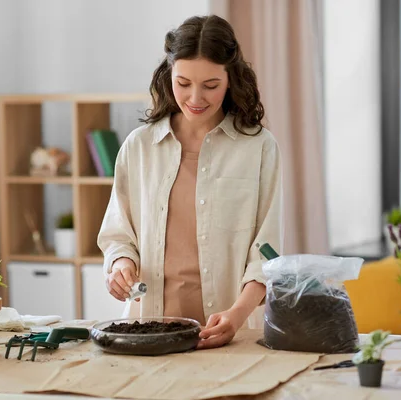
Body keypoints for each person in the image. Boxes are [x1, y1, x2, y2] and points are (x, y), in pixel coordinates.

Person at [97, 14, 283, 350]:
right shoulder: (139, 147)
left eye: (210, 85)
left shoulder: (259, 147)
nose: (195, 98)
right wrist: (121, 265)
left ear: (231, 79)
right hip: (147, 329)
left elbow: (267, 254)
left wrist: (237, 315)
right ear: (168, 76)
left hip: (234, 334)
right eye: (183, 83)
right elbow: (118, 236)